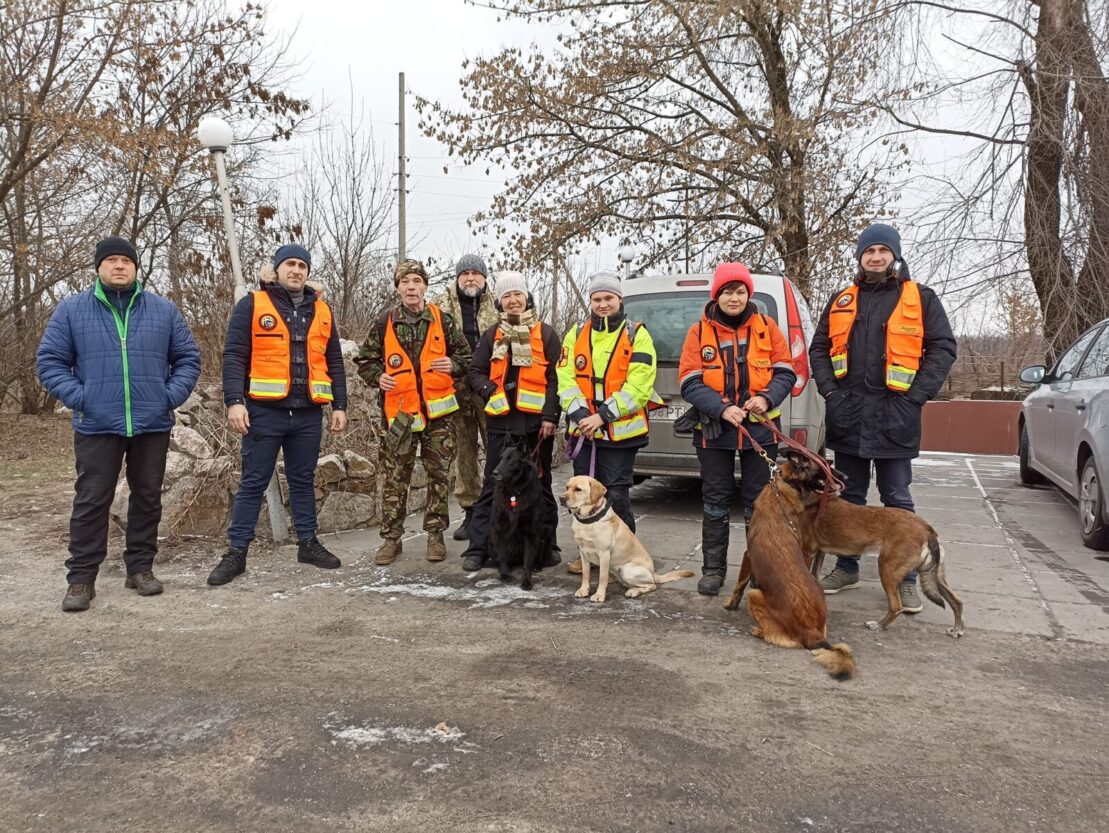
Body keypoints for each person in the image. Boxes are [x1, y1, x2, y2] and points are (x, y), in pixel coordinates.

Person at [36, 236, 201, 611]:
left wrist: (167, 395)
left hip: (151, 423)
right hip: (97, 424)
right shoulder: (72, 311)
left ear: (136, 268)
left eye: (126, 260)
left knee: (147, 497)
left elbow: (188, 358)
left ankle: (140, 568)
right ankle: (81, 579)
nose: (119, 266)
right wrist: (82, 398)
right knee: (92, 501)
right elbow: (50, 361)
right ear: (98, 268)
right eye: (110, 260)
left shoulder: (163, 311)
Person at [808, 223, 957, 611]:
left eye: (882, 251)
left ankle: (905, 577)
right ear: (860, 257)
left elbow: (943, 348)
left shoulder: (921, 298)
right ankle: (847, 567)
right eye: (868, 251)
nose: (875, 257)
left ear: (894, 255)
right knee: (847, 498)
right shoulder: (841, 299)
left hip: (896, 417)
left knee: (897, 499)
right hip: (849, 416)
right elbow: (819, 349)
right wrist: (830, 392)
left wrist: (916, 397)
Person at [207, 244, 349, 586]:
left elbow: (334, 363)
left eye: (302, 265)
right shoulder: (253, 305)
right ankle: (236, 553)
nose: (296, 270)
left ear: (308, 272)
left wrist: (340, 406)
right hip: (263, 412)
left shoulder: (323, 311)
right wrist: (234, 401)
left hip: (307, 414)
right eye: (290, 264)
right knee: (253, 482)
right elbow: (234, 356)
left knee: (303, 481)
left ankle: (308, 543)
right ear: (277, 269)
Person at [677, 262, 797, 596]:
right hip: (715, 430)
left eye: (740, 291)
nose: (734, 297)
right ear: (717, 294)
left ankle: (758, 570)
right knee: (715, 500)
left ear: (748, 294)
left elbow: (786, 371)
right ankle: (713, 570)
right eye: (728, 291)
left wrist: (766, 397)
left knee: (758, 504)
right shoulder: (698, 332)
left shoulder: (767, 327)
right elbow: (689, 381)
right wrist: (721, 408)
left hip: (760, 428)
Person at [356, 258, 471, 565]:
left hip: (438, 417)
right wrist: (377, 376)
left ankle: (435, 536)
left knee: (439, 477)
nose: (411, 287)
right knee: (396, 478)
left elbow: (467, 358)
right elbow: (365, 362)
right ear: (398, 288)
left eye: (416, 281)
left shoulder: (442, 320)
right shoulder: (384, 322)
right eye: (404, 282)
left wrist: (454, 365)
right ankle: (391, 539)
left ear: (424, 286)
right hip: (401, 416)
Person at [556, 270, 659, 574]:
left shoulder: (636, 334)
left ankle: (623, 556)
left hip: (620, 434)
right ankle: (587, 555)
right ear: (590, 301)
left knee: (615, 494)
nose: (602, 304)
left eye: (608, 298)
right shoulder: (576, 333)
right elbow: (565, 377)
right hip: (583, 430)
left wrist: (602, 416)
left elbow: (639, 385)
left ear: (619, 299)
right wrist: (579, 415)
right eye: (597, 299)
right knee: (581, 497)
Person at [459, 272, 562, 572]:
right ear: (499, 302)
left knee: (541, 485)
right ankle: (478, 549)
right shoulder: (492, 335)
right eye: (506, 296)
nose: (513, 300)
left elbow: (556, 379)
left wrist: (550, 416)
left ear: (527, 297)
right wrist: (491, 390)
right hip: (502, 424)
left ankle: (548, 545)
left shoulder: (546, 334)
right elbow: (474, 372)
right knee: (493, 484)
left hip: (537, 426)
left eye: (517, 294)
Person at [430, 254, 498, 541]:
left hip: (489, 386)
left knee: (497, 449)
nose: (471, 278)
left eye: (476, 273)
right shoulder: (438, 305)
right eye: (465, 273)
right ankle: (471, 514)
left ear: (484, 277)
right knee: (465, 454)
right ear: (458, 277)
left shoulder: (499, 304)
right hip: (455, 388)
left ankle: (497, 510)